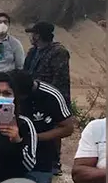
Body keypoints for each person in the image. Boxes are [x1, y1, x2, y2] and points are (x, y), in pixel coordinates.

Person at [24, 20, 72, 175]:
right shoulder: (33, 52)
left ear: (38, 35)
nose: (31, 37)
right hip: (32, 97)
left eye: (33, 33)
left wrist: (53, 99)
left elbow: (60, 78)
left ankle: (54, 162)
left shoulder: (59, 52)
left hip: (52, 97)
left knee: (55, 128)